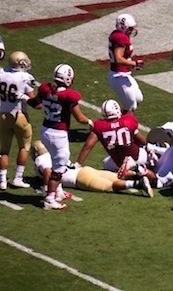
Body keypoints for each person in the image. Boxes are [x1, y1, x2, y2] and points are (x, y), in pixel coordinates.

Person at [28, 63, 94, 210]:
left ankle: (58, 191)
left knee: (55, 161)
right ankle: (50, 199)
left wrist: (22, 97)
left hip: (45, 130)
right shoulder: (68, 96)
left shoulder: (45, 88)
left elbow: (34, 103)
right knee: (59, 168)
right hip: (58, 134)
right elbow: (79, 118)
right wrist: (90, 122)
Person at [73, 99, 153, 198]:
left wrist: (78, 164)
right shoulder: (128, 120)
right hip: (138, 157)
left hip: (118, 162)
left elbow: (88, 145)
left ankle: (133, 174)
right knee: (151, 150)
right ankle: (143, 168)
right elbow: (142, 141)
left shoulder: (100, 126)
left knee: (106, 163)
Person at [31, 140, 154, 196]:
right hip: (85, 170)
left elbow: (47, 171)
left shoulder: (41, 159)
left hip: (79, 179)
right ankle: (138, 172)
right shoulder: (54, 154)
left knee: (109, 186)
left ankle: (138, 183)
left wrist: (47, 188)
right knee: (116, 176)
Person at [0, 51, 39, 189]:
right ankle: (18, 177)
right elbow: (37, 105)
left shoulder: (1, 73)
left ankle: (2, 180)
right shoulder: (25, 77)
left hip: (3, 115)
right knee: (24, 147)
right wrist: (26, 98)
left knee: (3, 150)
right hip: (19, 116)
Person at [108, 14, 144, 114]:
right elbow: (118, 59)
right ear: (123, 27)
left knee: (138, 98)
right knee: (131, 105)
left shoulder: (119, 35)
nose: (132, 30)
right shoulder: (120, 37)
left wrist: (131, 65)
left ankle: (117, 116)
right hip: (118, 76)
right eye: (130, 28)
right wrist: (134, 63)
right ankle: (127, 127)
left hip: (124, 74)